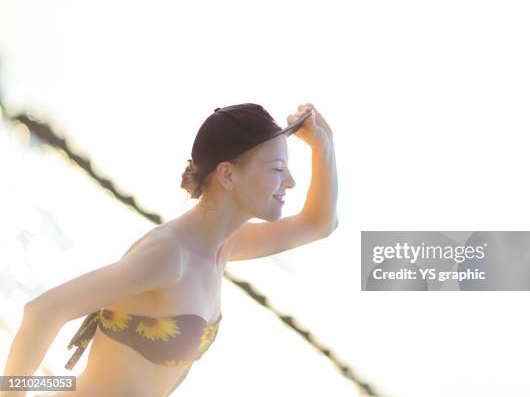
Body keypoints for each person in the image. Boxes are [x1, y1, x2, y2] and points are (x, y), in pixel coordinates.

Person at [1, 102, 338, 397]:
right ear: (228, 174)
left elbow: (320, 224)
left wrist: (324, 147)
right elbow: (42, 312)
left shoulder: (224, 246)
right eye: (278, 169)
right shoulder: (169, 256)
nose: (291, 181)